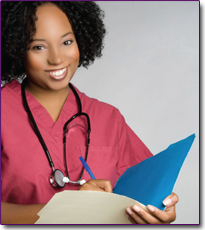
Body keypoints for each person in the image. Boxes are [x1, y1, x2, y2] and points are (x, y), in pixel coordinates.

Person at [1, 1, 179, 224]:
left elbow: (144, 191)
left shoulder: (108, 117)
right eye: (38, 46)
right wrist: (67, 209)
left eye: (67, 42)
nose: (57, 59)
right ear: (15, 47)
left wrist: (160, 207)